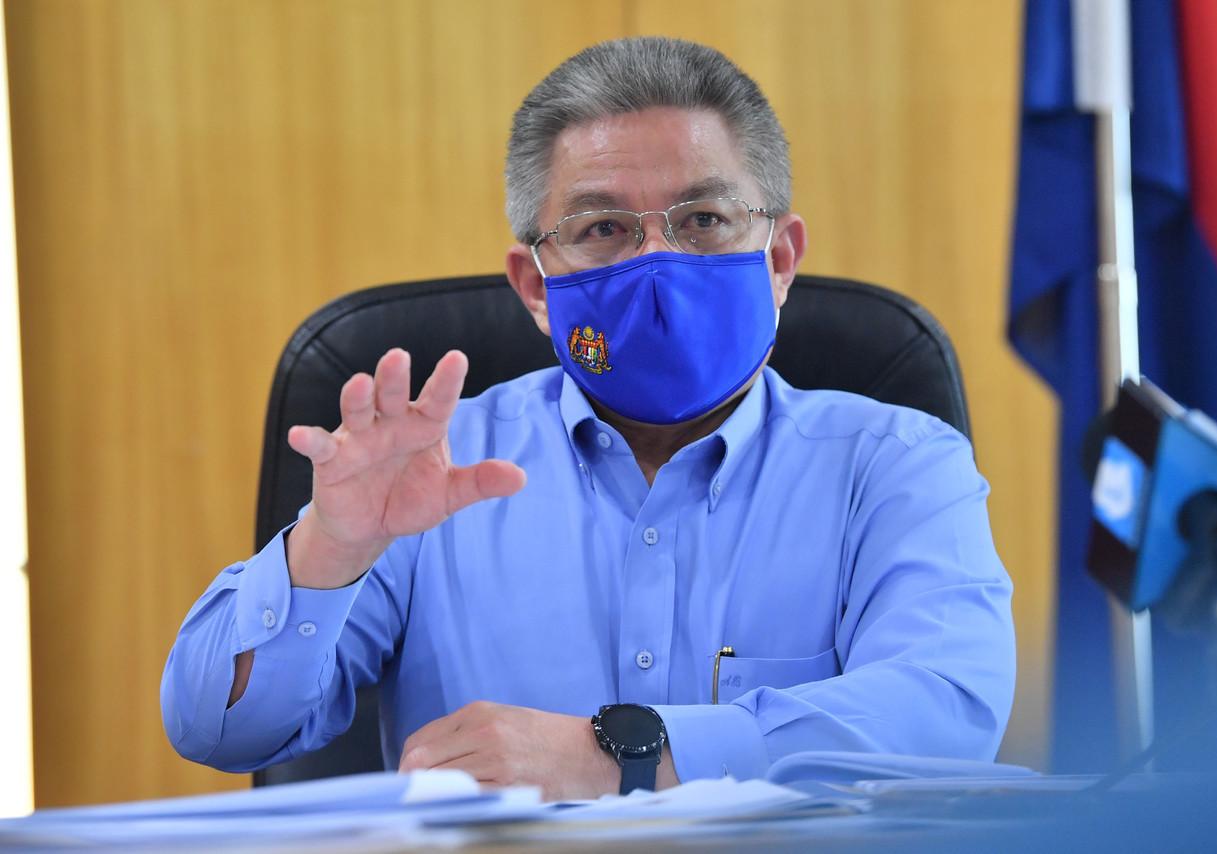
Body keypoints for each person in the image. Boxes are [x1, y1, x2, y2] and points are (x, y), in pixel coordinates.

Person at [162, 36, 1015, 801]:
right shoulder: (433, 471)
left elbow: (947, 713)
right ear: (536, 287)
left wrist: (619, 757)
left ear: (780, 258)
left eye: (704, 220)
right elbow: (216, 727)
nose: (657, 263)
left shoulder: (895, 465)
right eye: (603, 228)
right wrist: (330, 550)